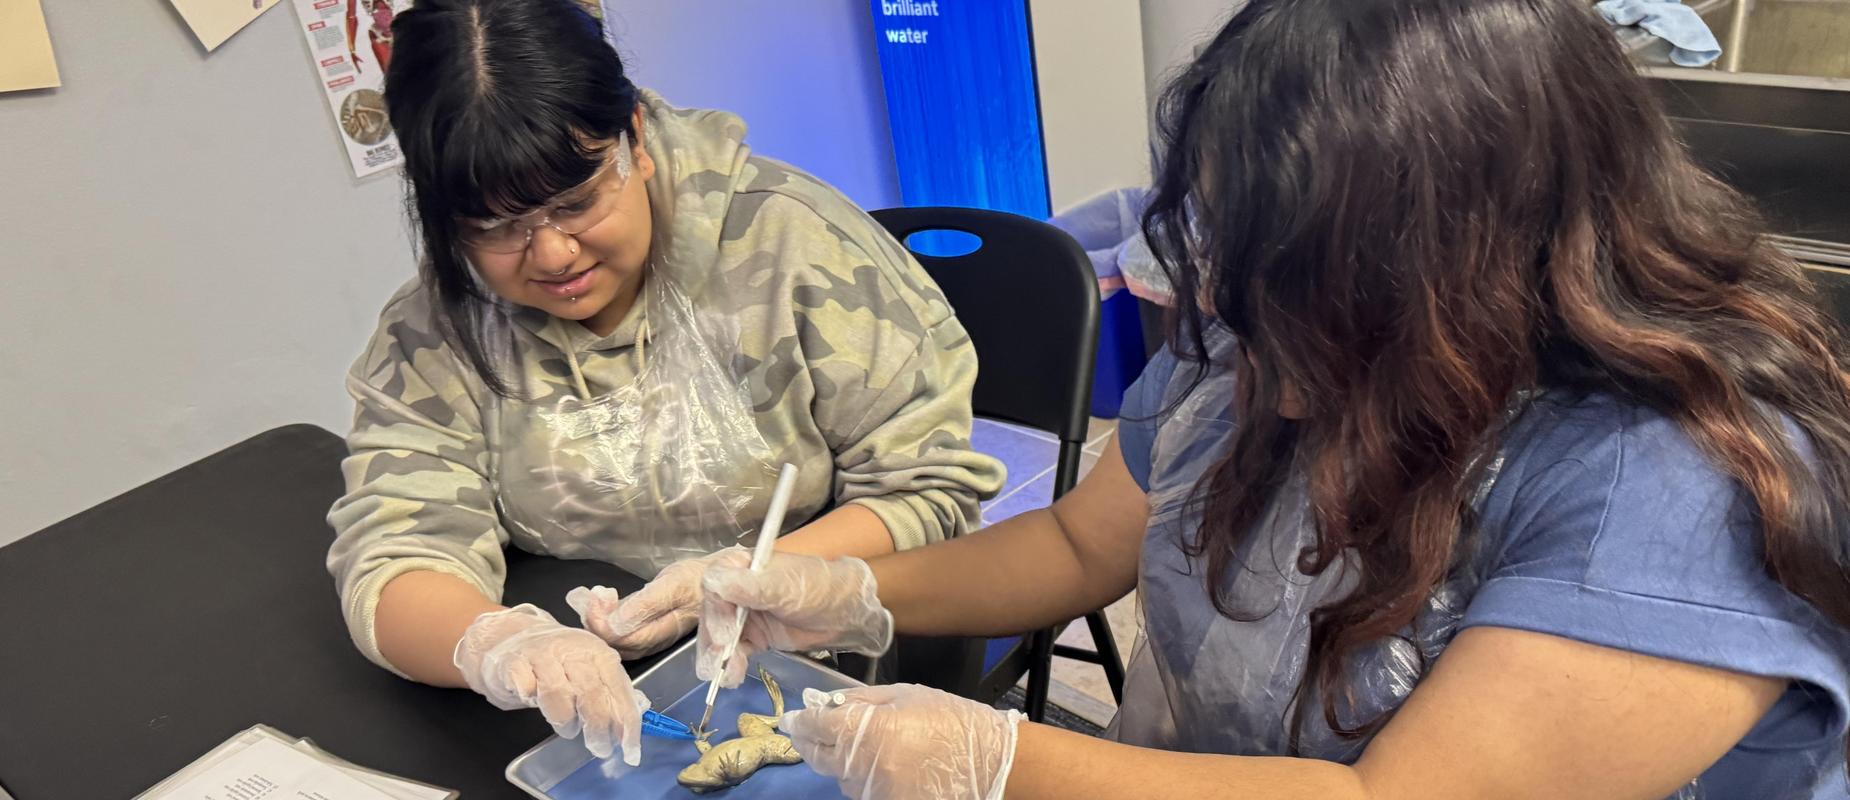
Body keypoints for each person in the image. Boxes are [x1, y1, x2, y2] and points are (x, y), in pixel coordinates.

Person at [695, 0, 1850, 797]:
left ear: (1467, 264)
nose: (1223, 321)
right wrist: (842, 593)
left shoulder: (1669, 490)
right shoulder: (1259, 337)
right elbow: (1075, 542)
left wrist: (1002, 761)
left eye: (1293, 283)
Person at [324, 0, 1002, 765]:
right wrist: (500, 645)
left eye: (576, 202)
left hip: (826, 659)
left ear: (635, 139)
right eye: (493, 227)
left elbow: (930, 494)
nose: (552, 254)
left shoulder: (792, 247)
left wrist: (759, 577)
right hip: (585, 697)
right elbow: (396, 554)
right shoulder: (439, 329)